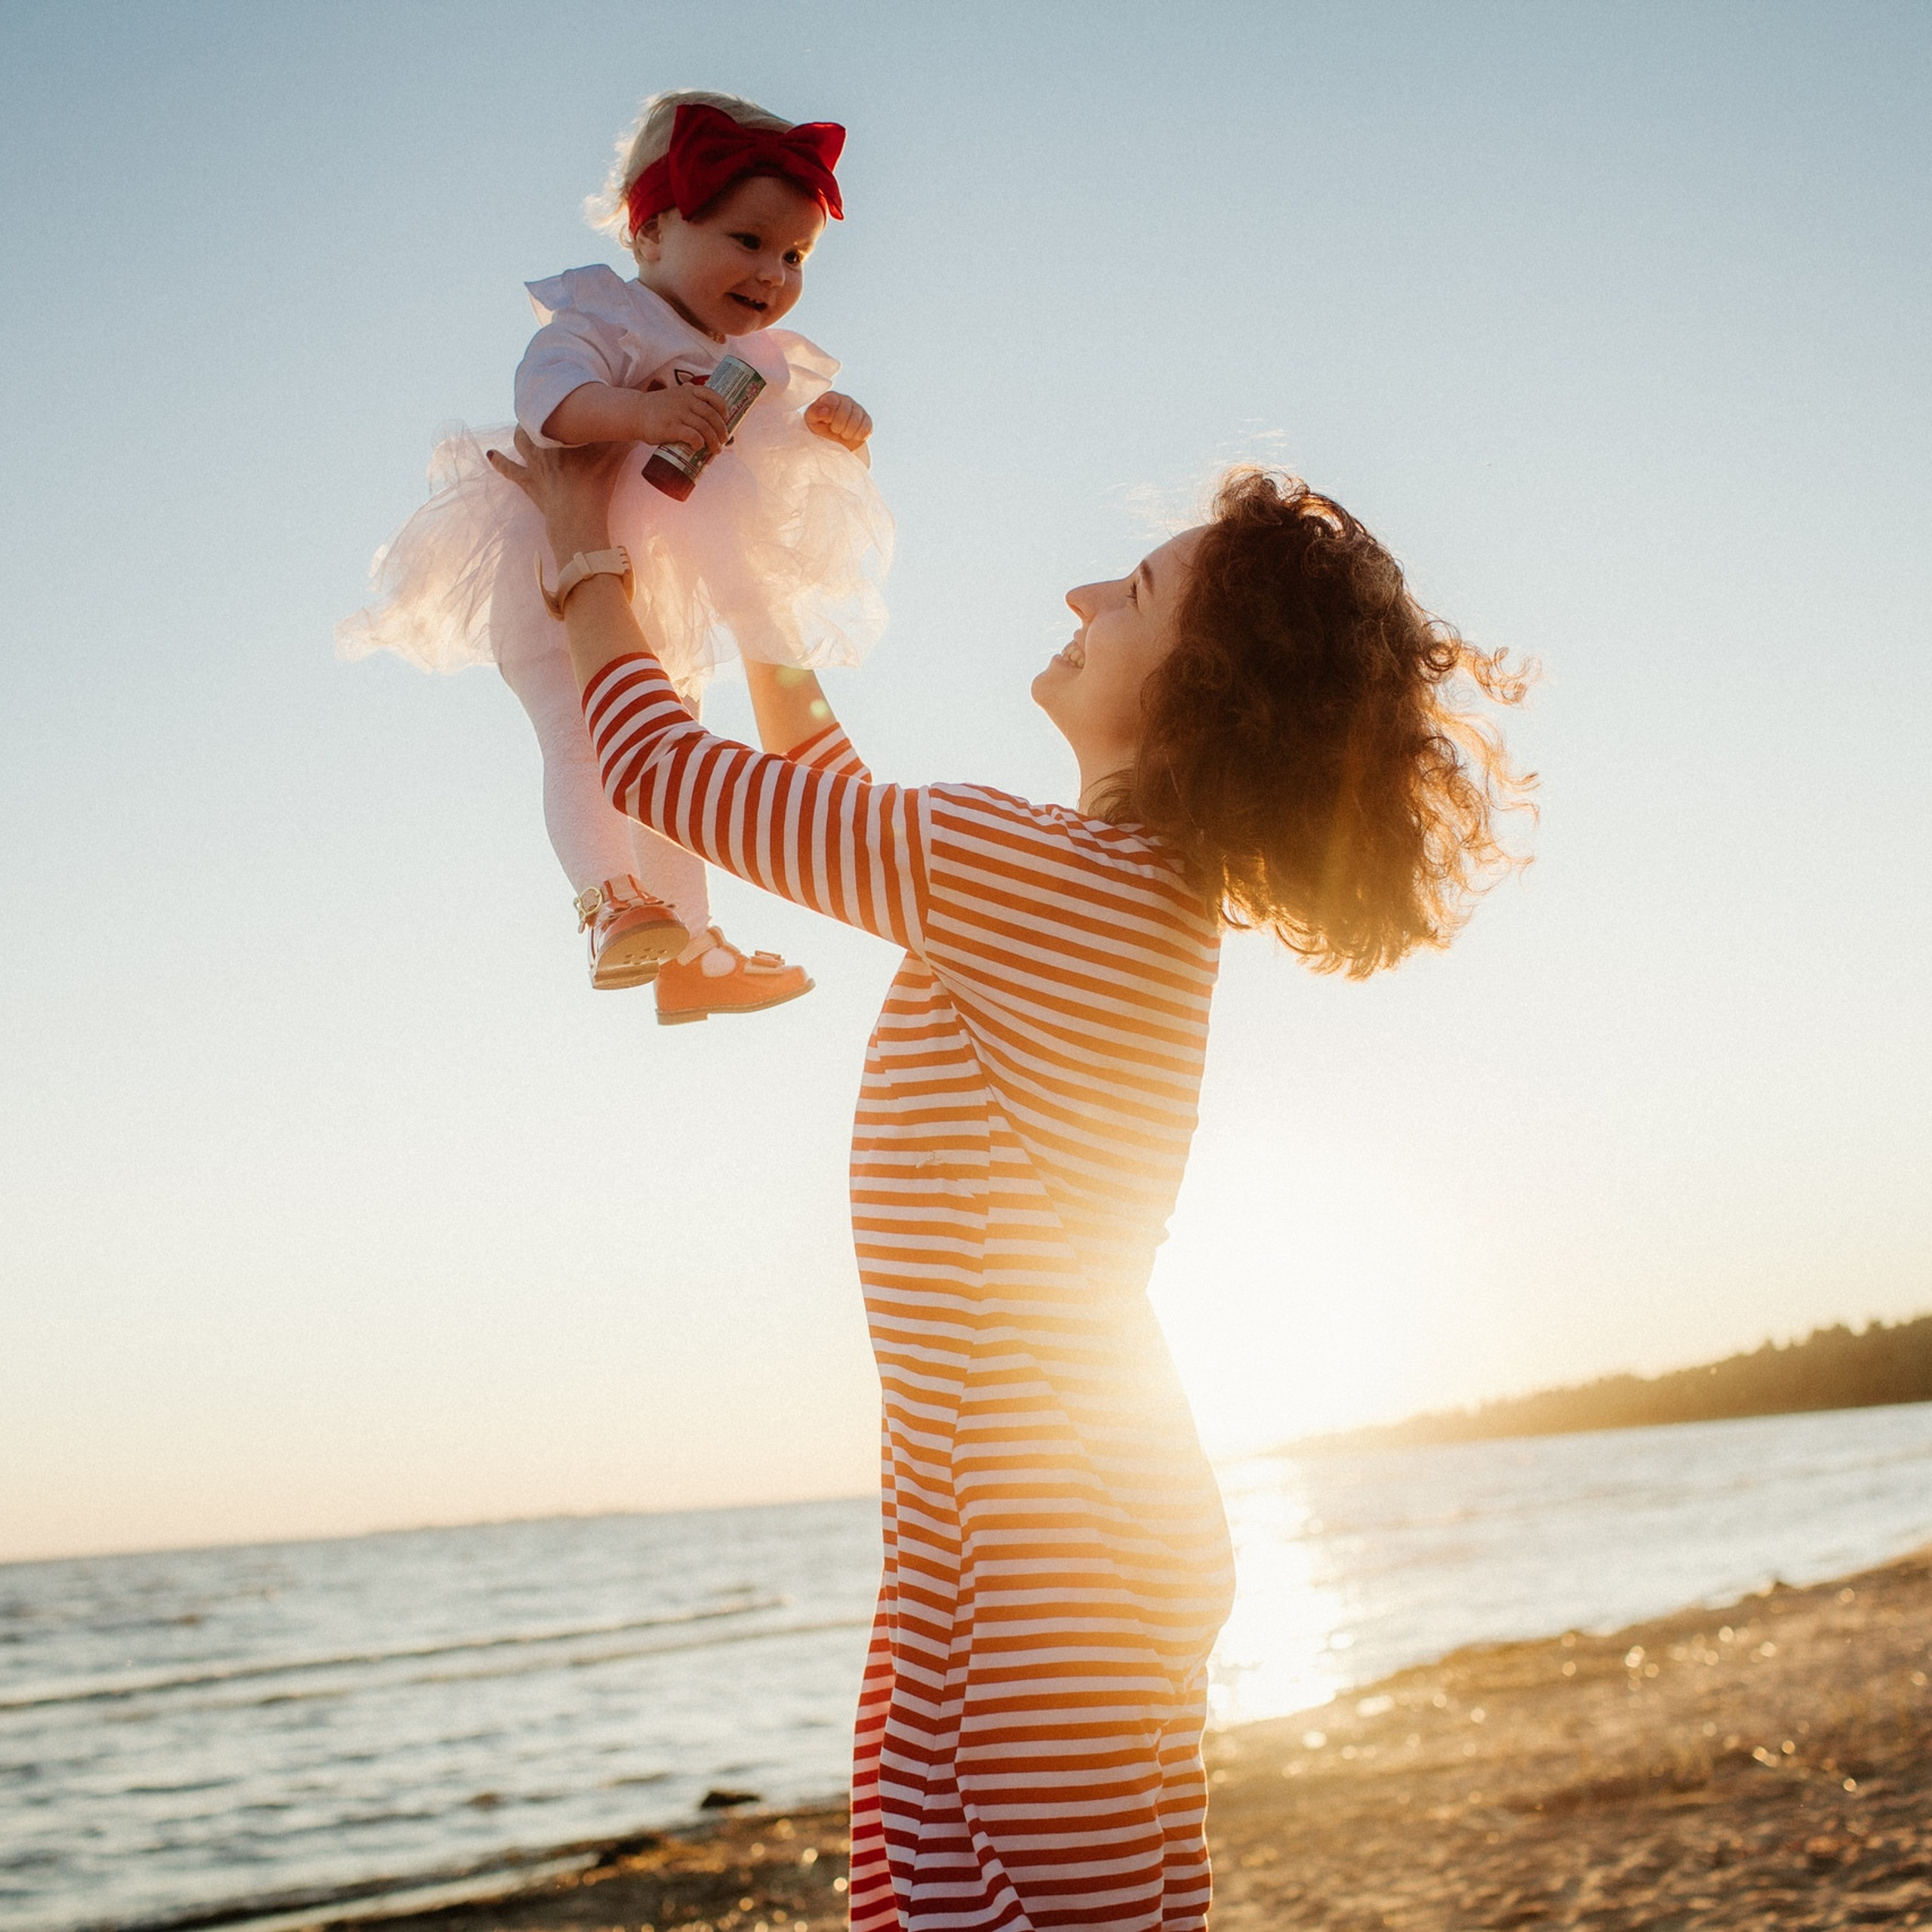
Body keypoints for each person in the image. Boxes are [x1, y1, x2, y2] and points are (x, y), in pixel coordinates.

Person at [488, 429, 1532, 1930]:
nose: (1080, 587)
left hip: (1032, 1537)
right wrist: (745, 592)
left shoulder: (1016, 872)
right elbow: (834, 804)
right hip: (1080, 1511)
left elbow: (656, 769)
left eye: (1137, 586)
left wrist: (581, 552)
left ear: (1202, 674)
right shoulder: (1115, 893)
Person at [339, 91, 891, 1023]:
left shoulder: (758, 359)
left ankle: (694, 947)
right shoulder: (612, 316)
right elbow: (542, 394)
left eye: (794, 254)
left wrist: (841, 430)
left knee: (669, 754)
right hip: (555, 559)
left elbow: (786, 459)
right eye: (747, 240)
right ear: (652, 233)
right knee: (578, 730)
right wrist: (635, 411)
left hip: (665, 589)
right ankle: (608, 903)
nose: (772, 272)